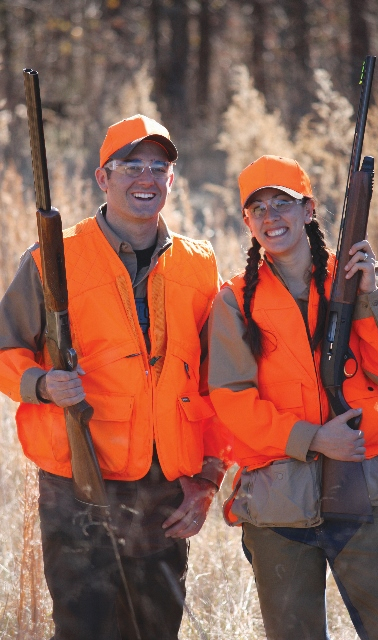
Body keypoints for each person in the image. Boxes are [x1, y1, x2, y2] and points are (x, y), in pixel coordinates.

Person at [0, 114, 229, 640]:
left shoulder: (199, 264)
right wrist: (41, 384)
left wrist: (208, 481)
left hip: (164, 489)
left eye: (159, 166)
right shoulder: (54, 258)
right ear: (103, 177)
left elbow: (216, 383)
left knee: (155, 631)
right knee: (85, 630)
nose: (146, 177)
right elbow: (5, 347)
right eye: (131, 165)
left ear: (172, 179)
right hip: (79, 483)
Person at [208, 155, 378, 640]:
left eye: (283, 203)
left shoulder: (361, 276)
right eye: (258, 208)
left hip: (362, 495)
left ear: (308, 210)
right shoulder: (234, 300)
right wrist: (313, 439)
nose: (271, 217)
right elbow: (232, 404)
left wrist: (370, 295)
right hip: (277, 505)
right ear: (246, 221)